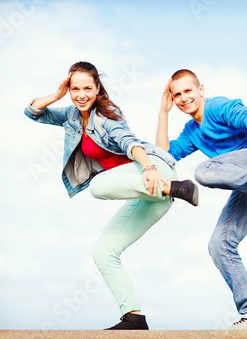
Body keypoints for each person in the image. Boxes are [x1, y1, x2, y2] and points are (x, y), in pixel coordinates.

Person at [24, 61, 198, 330]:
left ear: (97, 89)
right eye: (74, 88)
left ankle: (176, 187)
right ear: (69, 89)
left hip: (154, 171)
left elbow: (130, 142)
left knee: (97, 186)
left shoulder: (106, 115)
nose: (81, 94)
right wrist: (56, 95)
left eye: (87, 88)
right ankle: (134, 318)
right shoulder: (71, 116)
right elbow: (33, 112)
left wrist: (151, 170)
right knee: (103, 251)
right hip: (148, 191)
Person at [156, 69, 247, 330]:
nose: (183, 98)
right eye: (176, 95)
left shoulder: (217, 106)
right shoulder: (192, 131)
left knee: (204, 171)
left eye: (188, 91)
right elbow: (164, 155)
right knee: (220, 244)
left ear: (201, 89)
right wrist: (163, 112)